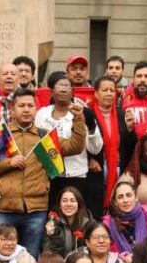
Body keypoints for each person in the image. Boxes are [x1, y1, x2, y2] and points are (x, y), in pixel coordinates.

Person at [0, 87, 87, 257]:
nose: (26, 110)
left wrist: (78, 118)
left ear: (36, 109)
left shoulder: (45, 137)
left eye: (30, 106)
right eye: (21, 106)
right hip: (5, 209)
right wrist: (8, 163)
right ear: (12, 110)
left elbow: (75, 146)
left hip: (36, 210)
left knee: (31, 256)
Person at [36, 74, 103, 212]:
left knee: (75, 216)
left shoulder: (81, 112)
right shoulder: (42, 114)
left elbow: (95, 149)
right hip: (49, 176)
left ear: (72, 92)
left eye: (67, 86)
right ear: (51, 91)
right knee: (53, 217)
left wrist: (90, 126)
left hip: (76, 175)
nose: (63, 89)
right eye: (59, 86)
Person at [87, 76, 126, 211]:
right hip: (96, 170)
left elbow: (128, 145)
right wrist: (89, 159)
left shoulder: (122, 114)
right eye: (105, 90)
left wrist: (131, 130)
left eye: (112, 90)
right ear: (96, 94)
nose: (109, 93)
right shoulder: (88, 114)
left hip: (119, 170)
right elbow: (82, 140)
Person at [42, 185, 94, 257]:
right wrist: (51, 236)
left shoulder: (89, 224)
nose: (68, 204)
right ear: (59, 205)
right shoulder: (51, 224)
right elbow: (47, 255)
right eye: (64, 201)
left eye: (72, 201)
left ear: (79, 204)